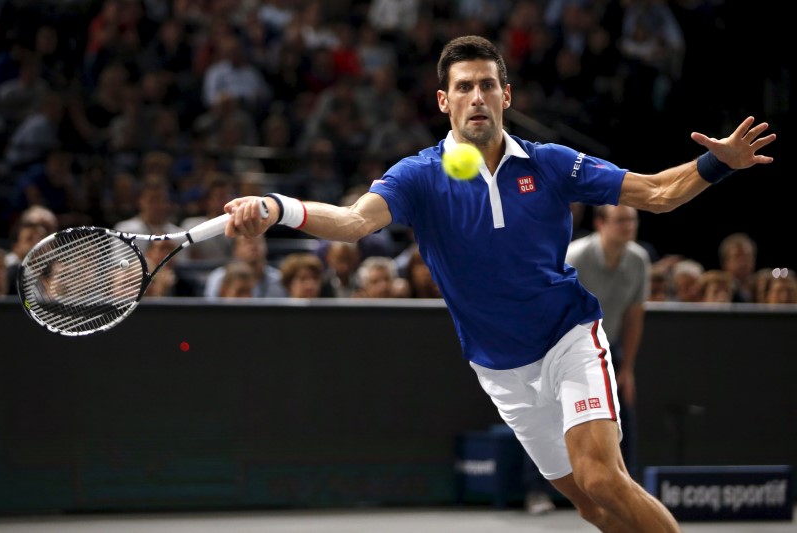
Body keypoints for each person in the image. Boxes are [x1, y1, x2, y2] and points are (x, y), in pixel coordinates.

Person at [222, 35, 775, 532]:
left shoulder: (553, 163)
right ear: (445, 101)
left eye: (488, 84)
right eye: (464, 87)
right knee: (586, 502)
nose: (477, 96)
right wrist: (278, 206)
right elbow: (351, 223)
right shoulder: (418, 175)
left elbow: (656, 192)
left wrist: (716, 164)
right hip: (500, 369)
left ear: (506, 95)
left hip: (569, 338)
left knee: (603, 478)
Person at [565, 204, 651, 482]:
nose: (628, 226)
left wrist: (627, 368)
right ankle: (536, 490)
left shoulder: (639, 260)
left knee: (621, 412)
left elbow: (634, 315)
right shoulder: (575, 257)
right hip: (563, 346)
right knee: (558, 417)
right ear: (601, 224)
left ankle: (628, 485)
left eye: (632, 220)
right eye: (621, 220)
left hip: (608, 347)